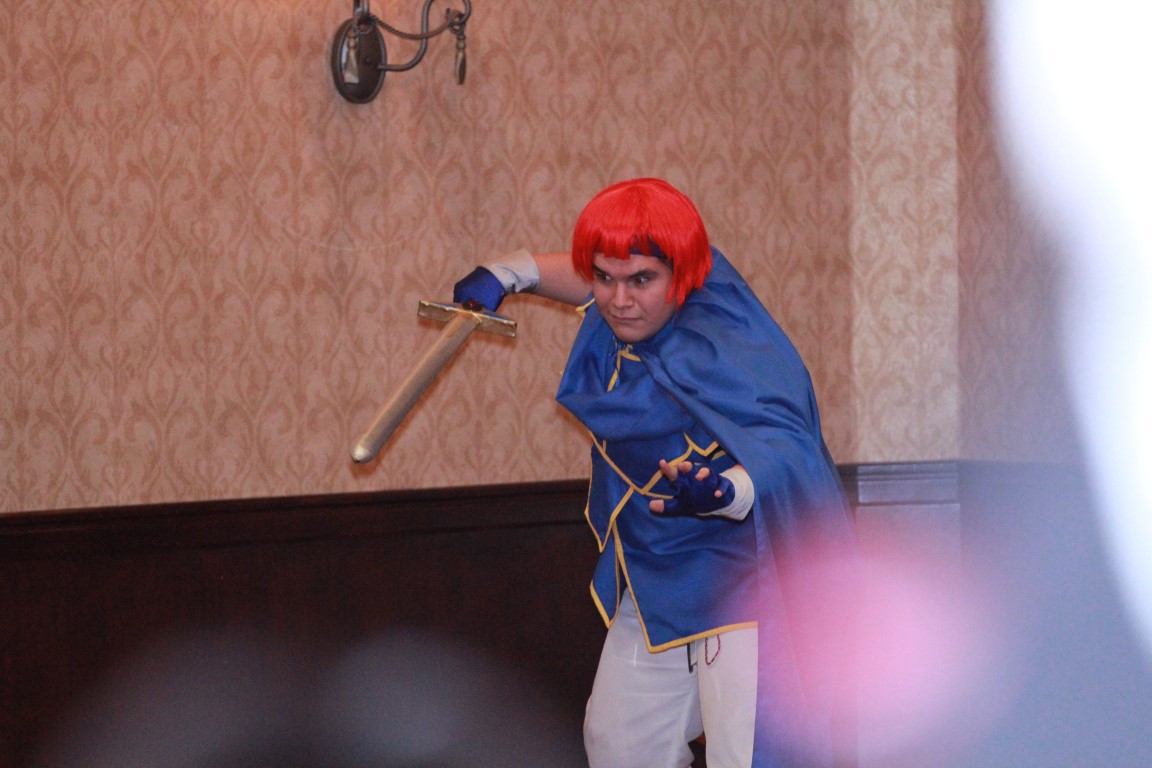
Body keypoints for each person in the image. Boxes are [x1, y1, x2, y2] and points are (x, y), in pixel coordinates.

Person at [453, 178, 856, 768]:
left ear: (683, 275)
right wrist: (510, 272)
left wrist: (728, 492)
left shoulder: (728, 340)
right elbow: (605, 275)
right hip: (656, 571)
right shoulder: (627, 303)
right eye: (604, 278)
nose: (618, 300)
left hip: (743, 577)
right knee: (620, 745)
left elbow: (788, 451)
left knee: (747, 754)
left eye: (641, 280)